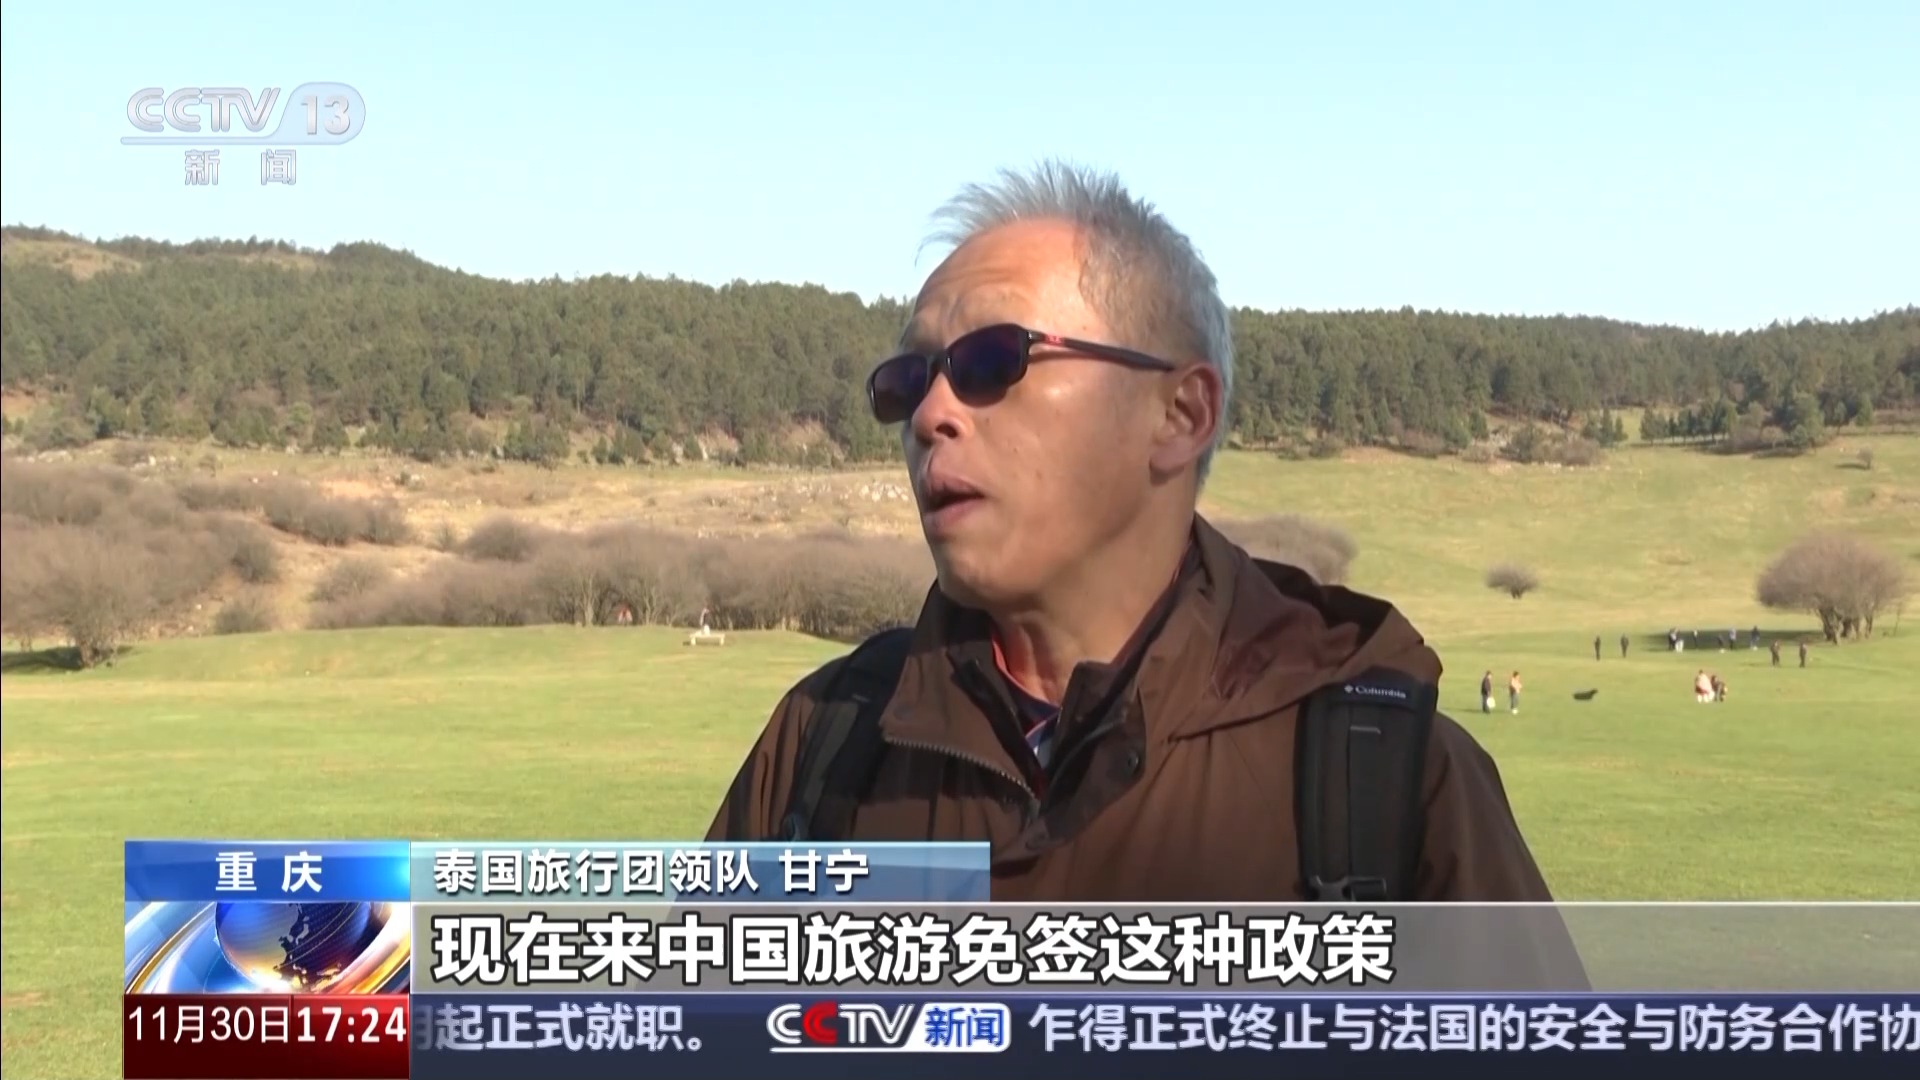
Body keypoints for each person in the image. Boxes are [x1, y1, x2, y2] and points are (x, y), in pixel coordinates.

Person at [705, 162, 1559, 904]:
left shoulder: (1387, 782)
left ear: (1180, 414)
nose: (930, 416)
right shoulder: (826, 743)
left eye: (992, 362)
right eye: (907, 380)